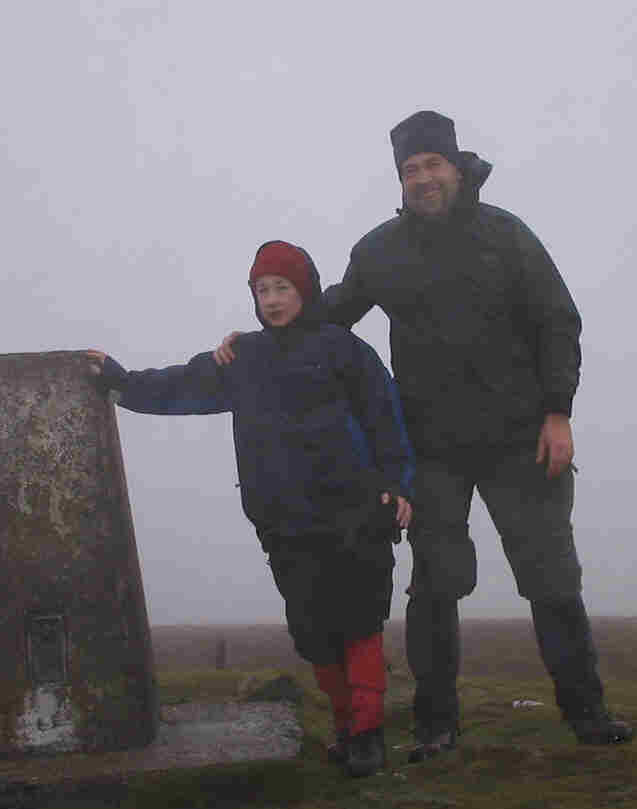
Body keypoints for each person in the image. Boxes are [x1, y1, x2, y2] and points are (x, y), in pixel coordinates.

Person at [215, 112, 633, 757]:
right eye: (410, 170)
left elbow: (558, 322)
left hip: (522, 438)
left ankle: (587, 712)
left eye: (433, 164)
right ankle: (437, 722)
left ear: (457, 167)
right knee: (436, 584)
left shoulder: (507, 236)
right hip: (431, 447)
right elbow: (326, 320)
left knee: (550, 578)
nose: (423, 178)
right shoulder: (381, 251)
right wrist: (261, 340)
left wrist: (558, 413)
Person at [87, 240, 415, 776]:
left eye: (282, 287)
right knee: (314, 634)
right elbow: (181, 385)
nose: (272, 299)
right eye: (262, 290)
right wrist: (122, 384)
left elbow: (386, 418)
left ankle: (368, 735)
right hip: (284, 520)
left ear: (304, 290)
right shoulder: (243, 358)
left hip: (354, 511)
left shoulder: (345, 350)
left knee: (359, 623)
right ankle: (345, 728)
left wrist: (399, 485)